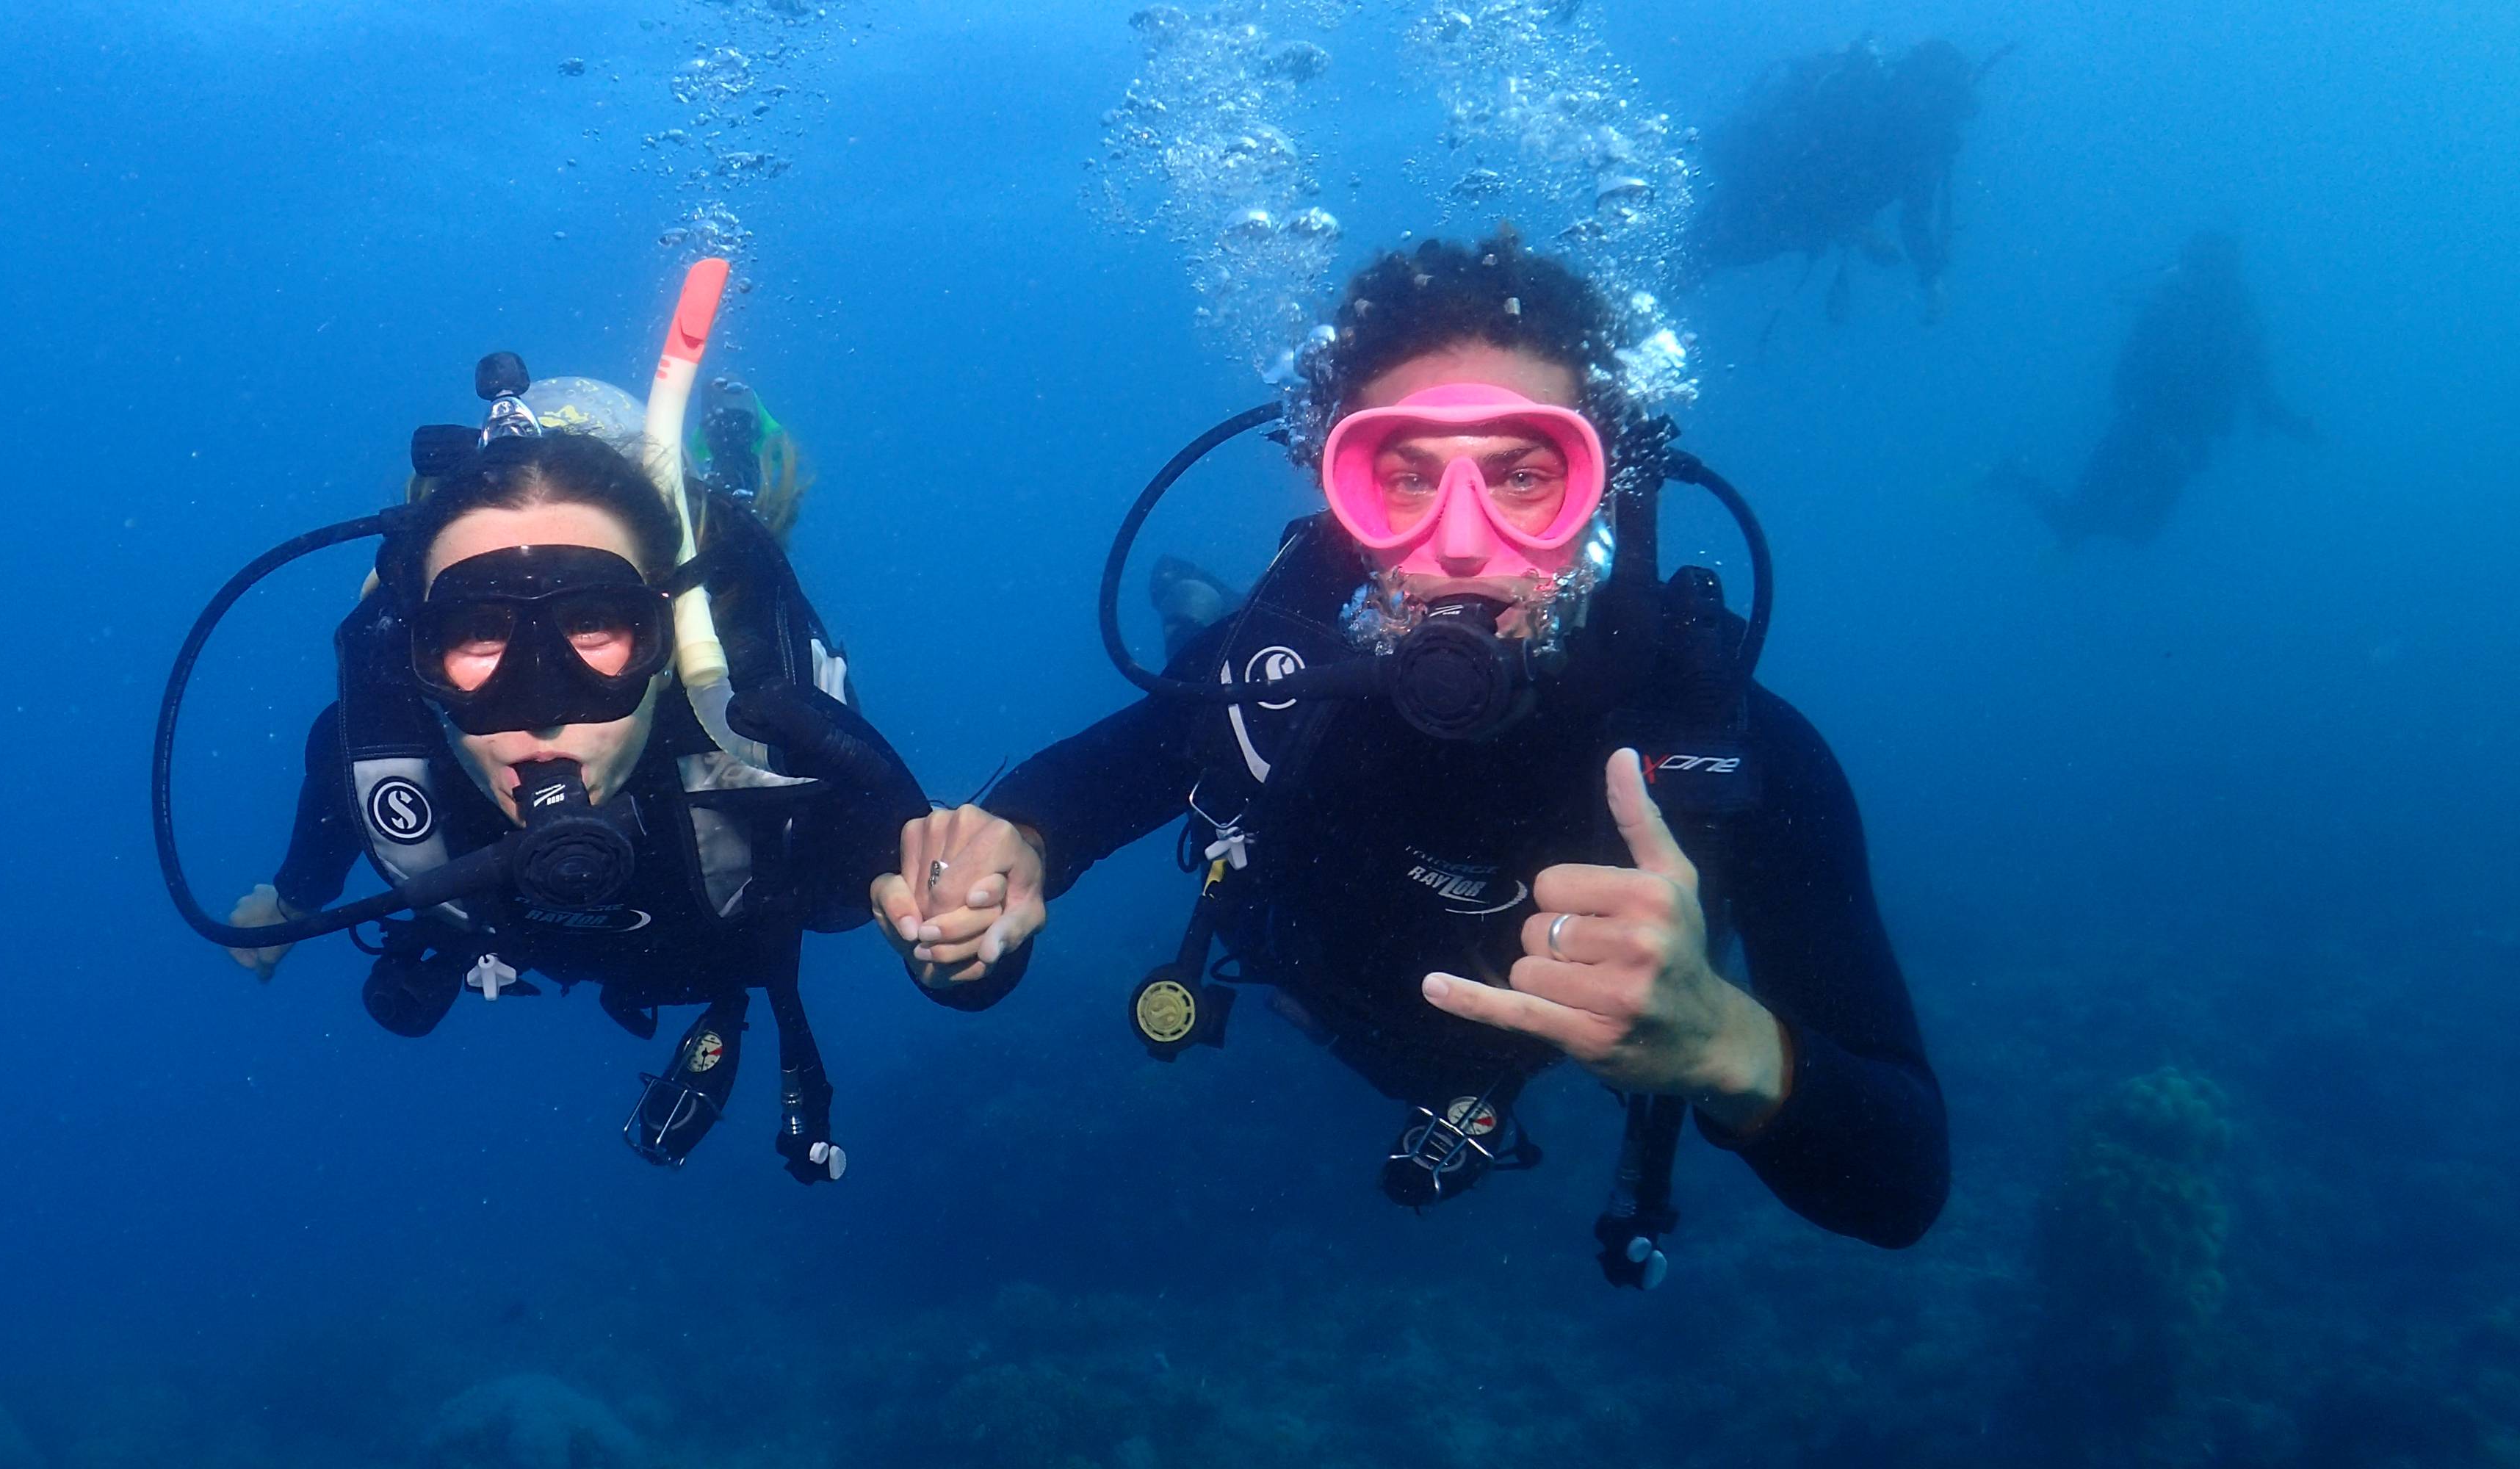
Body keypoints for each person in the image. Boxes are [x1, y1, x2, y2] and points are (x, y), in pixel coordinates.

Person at [874, 233, 1946, 1266]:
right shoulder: (1270, 695)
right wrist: (970, 908)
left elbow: (1901, 1187)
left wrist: (1728, 1046)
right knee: (1213, 649)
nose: (1466, 542)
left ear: (1602, 494)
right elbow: (1005, 905)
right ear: (1344, 509)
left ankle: (1209, 597)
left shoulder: (1727, 753)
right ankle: (1195, 606)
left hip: (1488, 1061)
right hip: (1306, 989)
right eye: (1408, 478)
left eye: (1527, 477)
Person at [169, 272, 923, 1185]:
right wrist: (294, 897)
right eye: (479, 630)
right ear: (419, 650)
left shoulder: (759, 736)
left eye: (594, 624)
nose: (539, 701)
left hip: (708, 949)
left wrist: (923, 889)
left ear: (665, 632)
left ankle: (724, 461)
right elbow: (340, 761)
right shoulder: (387, 740)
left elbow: (888, 885)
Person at [2006, 229, 2316, 546]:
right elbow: (2123, 383)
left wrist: (2289, 423)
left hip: (2181, 445)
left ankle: (2055, 509)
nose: (2205, 279)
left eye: (2215, 270)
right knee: (2079, 525)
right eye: (2200, 268)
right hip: (2139, 435)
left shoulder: (2240, 321)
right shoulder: (2167, 311)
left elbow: (2261, 394)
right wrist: (2155, 430)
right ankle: (2010, 477)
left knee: (2137, 535)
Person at [1693, 37, 2006, 325]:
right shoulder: (1861, 109)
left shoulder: (1923, 145)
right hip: (1762, 202)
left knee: (1693, 262)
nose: (1949, 119)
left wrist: (1931, 275)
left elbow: (1916, 218)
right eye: (1948, 103)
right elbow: (1804, 175)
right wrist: (1857, 231)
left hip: (1791, 225)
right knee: (1695, 258)